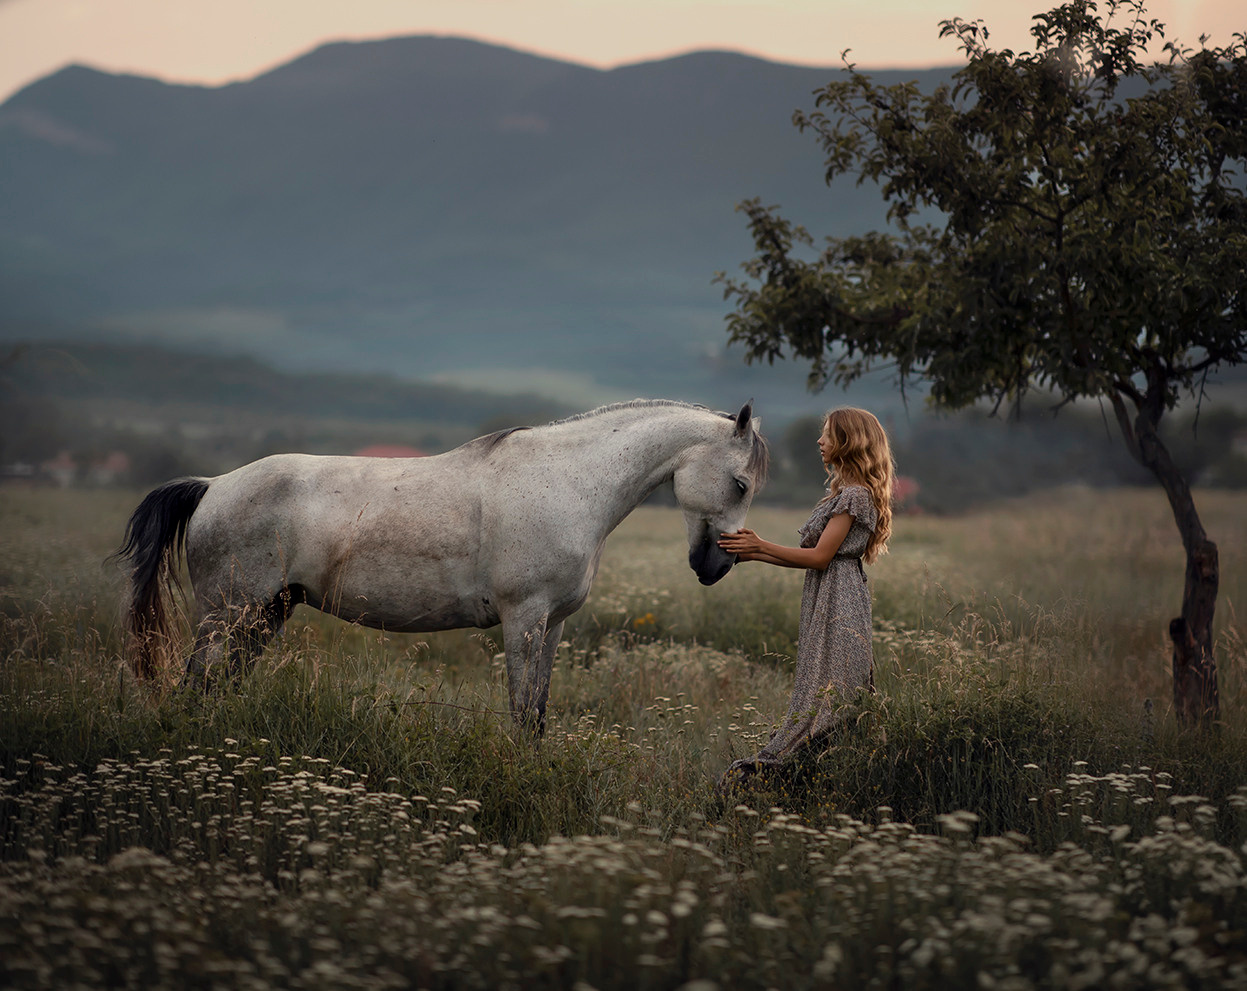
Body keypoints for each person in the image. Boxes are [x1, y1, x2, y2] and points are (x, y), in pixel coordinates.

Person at [717, 406, 894, 783]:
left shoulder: (856, 496)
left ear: (848, 442)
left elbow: (820, 557)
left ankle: (799, 773)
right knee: (820, 683)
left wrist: (761, 548)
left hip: (840, 597)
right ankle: (815, 774)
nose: (820, 441)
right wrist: (754, 551)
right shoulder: (846, 493)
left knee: (831, 688)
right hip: (829, 592)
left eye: (828, 434)